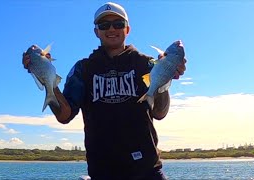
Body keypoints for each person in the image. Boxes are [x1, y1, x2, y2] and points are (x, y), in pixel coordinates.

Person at [23, 2, 186, 180]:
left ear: (127, 29)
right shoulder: (83, 69)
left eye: (118, 24)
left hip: (147, 170)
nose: (111, 29)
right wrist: (45, 77)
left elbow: (160, 112)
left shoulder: (146, 64)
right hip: (102, 173)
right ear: (96, 31)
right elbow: (64, 115)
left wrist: (165, 77)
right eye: (104, 25)